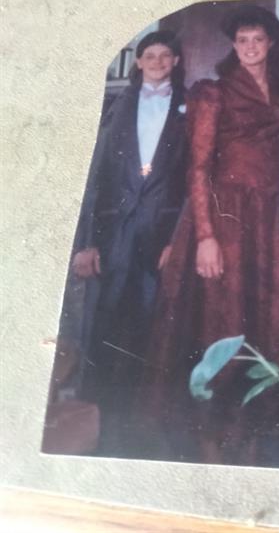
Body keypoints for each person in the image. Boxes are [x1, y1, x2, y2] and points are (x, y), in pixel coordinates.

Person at [162, 5, 279, 466]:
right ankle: (215, 430)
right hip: (227, 217)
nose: (250, 47)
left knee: (274, 321)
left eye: (258, 40)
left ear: (271, 44)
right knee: (225, 320)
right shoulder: (214, 92)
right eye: (243, 40)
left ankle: (258, 428)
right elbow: (198, 168)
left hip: (273, 217)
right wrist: (205, 236)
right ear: (234, 45)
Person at [71, 29, 188, 455]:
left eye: (165, 56)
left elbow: (194, 180)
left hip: (160, 237)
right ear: (138, 63)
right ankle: (98, 425)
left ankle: (142, 430)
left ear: (175, 61)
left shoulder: (189, 108)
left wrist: (178, 241)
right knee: (105, 327)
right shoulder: (116, 107)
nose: (157, 62)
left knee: (152, 328)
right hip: (113, 236)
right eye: (149, 56)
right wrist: (87, 243)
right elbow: (96, 179)